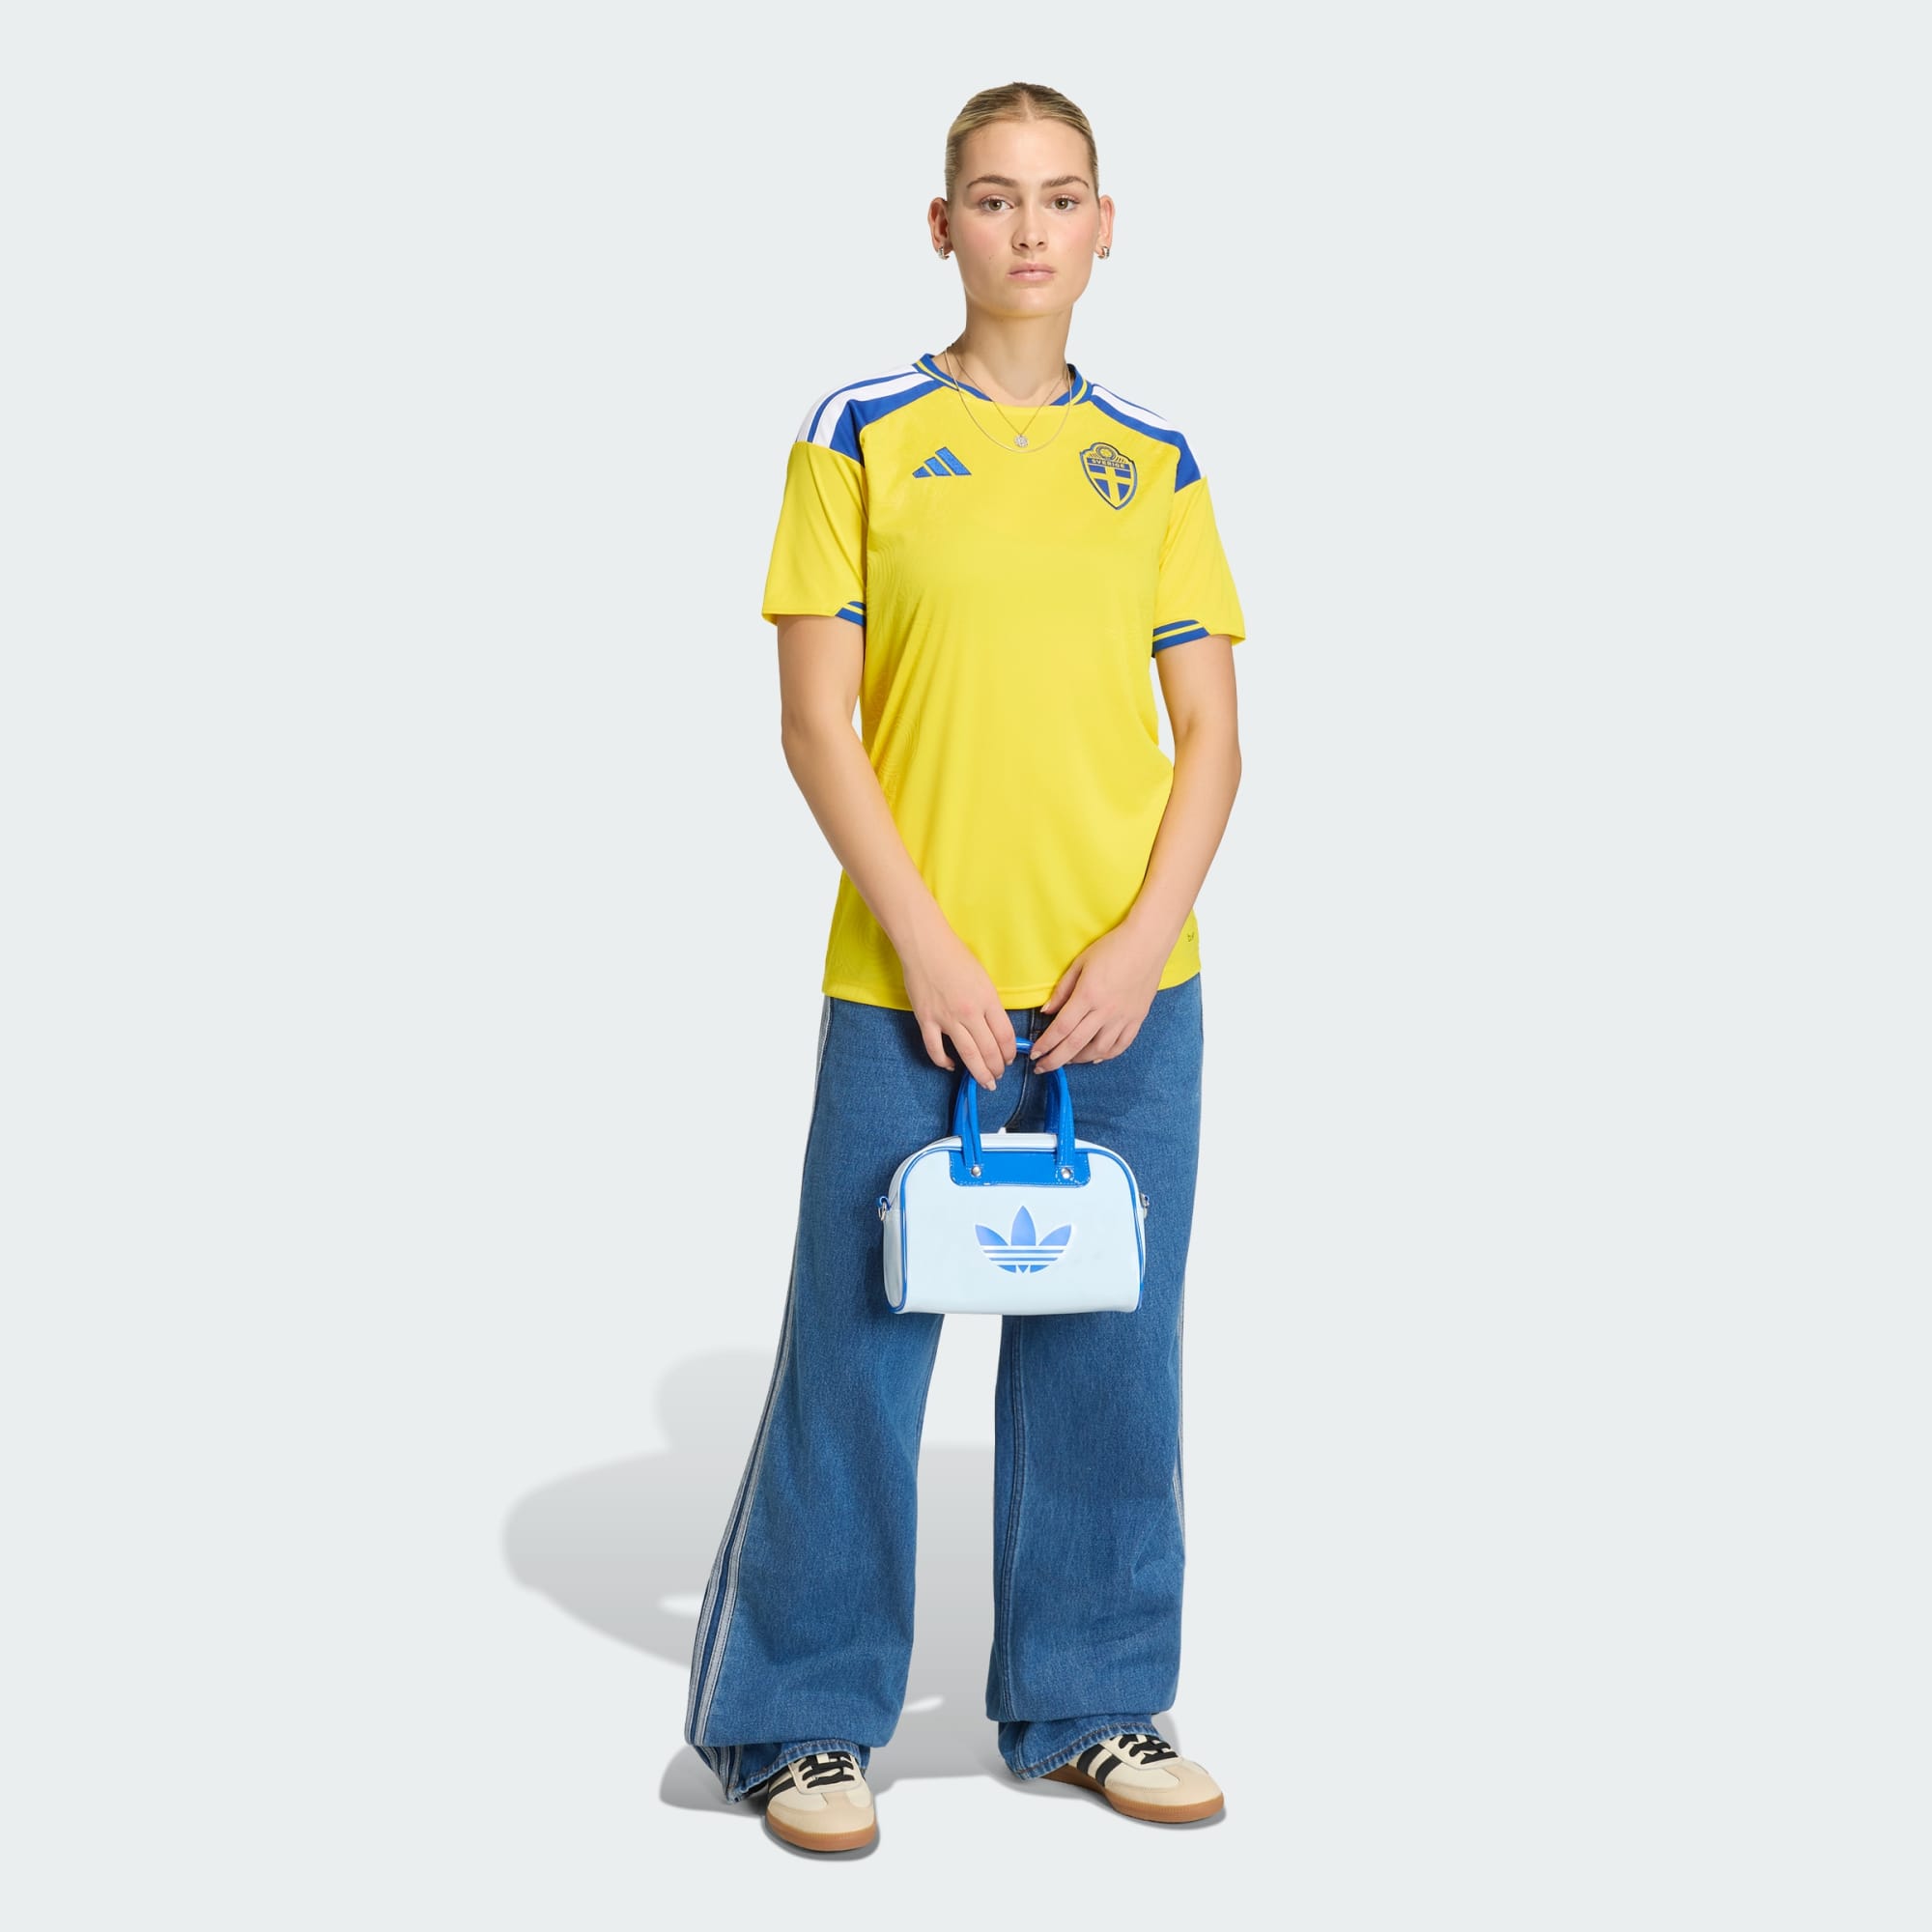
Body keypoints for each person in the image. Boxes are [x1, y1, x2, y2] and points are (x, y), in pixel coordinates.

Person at [683, 79, 1247, 1853]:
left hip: (1123, 996)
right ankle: (798, 1721)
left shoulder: (1156, 462)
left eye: (1060, 197)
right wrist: (926, 942)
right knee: (859, 1356)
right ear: (944, 227)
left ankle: (1094, 1701)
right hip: (906, 986)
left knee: (1112, 1358)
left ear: (1105, 229)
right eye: (994, 198)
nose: (1027, 228)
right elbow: (817, 723)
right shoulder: (857, 433)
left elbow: (1213, 740)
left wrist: (1137, 951)